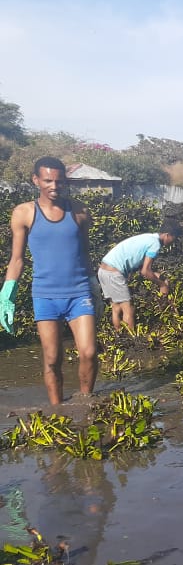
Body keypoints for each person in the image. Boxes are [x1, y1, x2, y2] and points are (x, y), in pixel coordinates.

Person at [1, 156, 98, 404]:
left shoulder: (79, 212)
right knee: (52, 359)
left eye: (59, 181)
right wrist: (7, 291)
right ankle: (58, 411)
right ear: (36, 180)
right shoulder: (24, 213)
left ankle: (86, 403)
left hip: (79, 293)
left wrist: (94, 286)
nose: (54, 186)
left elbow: (85, 253)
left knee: (88, 353)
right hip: (45, 296)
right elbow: (17, 259)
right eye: (48, 180)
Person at [97, 221, 182, 332]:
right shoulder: (155, 244)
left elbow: (140, 265)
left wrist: (158, 276)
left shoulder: (149, 237)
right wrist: (162, 285)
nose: (172, 243)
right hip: (114, 273)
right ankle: (132, 342)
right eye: (173, 239)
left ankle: (118, 337)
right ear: (167, 235)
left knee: (116, 308)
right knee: (129, 308)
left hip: (104, 271)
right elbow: (145, 271)